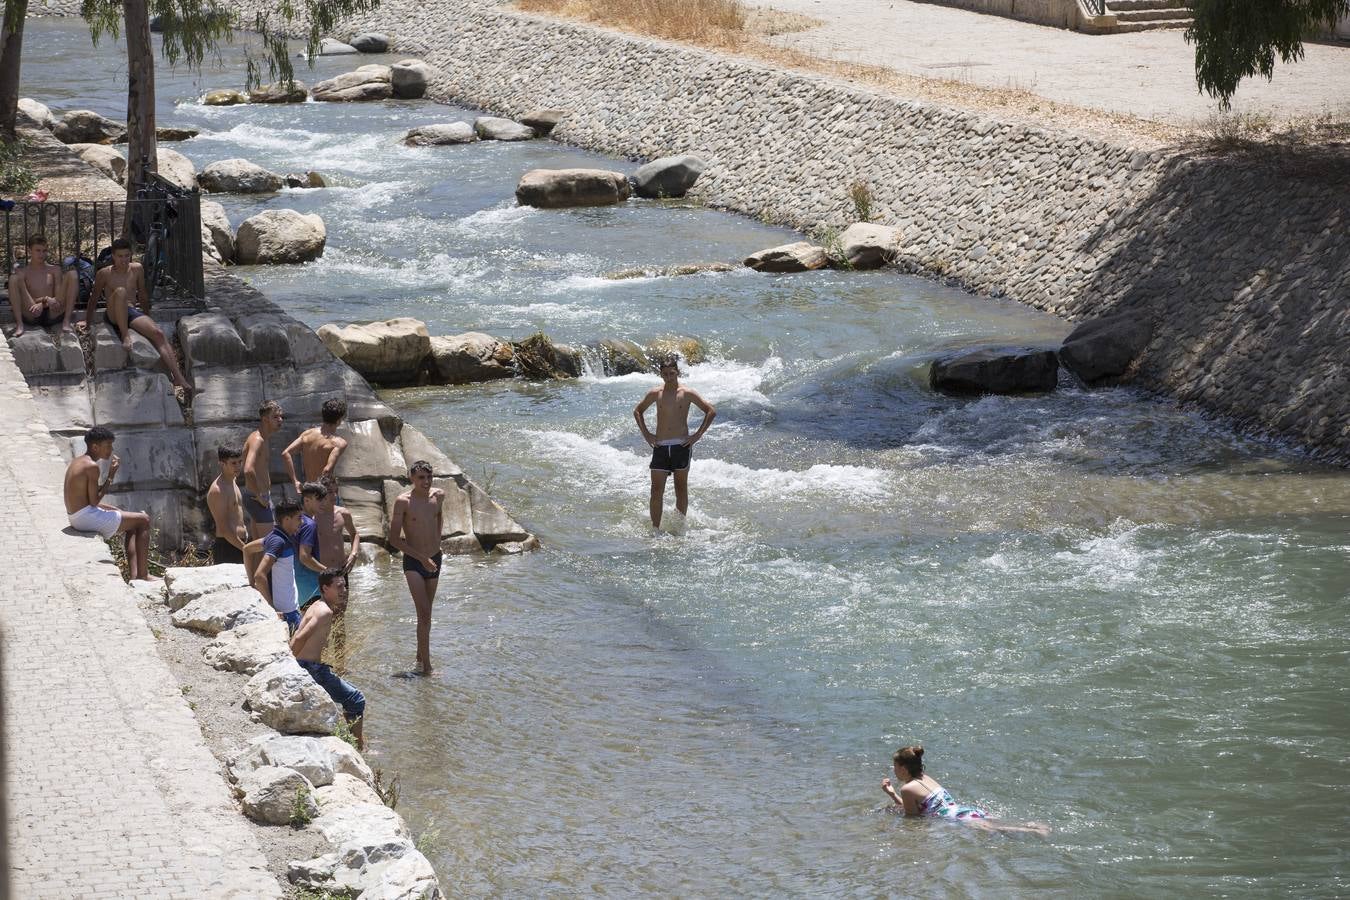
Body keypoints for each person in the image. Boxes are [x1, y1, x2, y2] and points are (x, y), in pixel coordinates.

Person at [83, 237, 193, 395]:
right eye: (120, 256)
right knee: (120, 292)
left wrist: (147, 316)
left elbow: (142, 294)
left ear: (131, 255)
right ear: (113, 256)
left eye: (127, 256)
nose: (124, 260)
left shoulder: (137, 269)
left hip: (131, 312)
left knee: (158, 334)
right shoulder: (104, 273)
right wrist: (87, 322)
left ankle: (178, 378)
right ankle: (125, 335)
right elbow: (93, 299)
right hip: (113, 313)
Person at [881, 745, 1050, 836]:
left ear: (903, 768)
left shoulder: (907, 788)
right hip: (964, 810)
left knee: (995, 829)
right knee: (997, 824)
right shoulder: (926, 777)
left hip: (954, 817)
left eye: (895, 766)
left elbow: (913, 816)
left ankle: (1034, 832)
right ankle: (1031, 826)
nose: (893, 769)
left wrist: (893, 795)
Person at [633, 355, 716, 529]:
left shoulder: (687, 393)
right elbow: (638, 411)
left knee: (680, 489)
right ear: (661, 375)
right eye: (665, 374)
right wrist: (647, 434)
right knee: (656, 491)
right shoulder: (655, 393)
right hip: (660, 446)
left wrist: (697, 435)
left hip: (681, 446)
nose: (669, 377)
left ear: (677, 372)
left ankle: (679, 528)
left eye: (672, 373)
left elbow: (710, 411)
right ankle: (655, 530)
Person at [63, 426, 154, 581]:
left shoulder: (79, 461)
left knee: (131, 522)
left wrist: (112, 508)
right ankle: (143, 575)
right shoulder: (92, 466)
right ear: (95, 446)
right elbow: (94, 501)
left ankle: (135, 576)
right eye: (107, 446)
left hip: (76, 515)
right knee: (144, 520)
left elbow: (89, 500)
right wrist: (111, 475)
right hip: (84, 518)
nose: (110, 450)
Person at [291, 569, 365, 749]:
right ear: (325, 588)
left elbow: (299, 633)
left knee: (350, 697)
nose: (344, 590)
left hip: (307, 666)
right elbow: (301, 637)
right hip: (311, 669)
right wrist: (289, 662)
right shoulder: (325, 612)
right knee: (356, 699)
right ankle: (358, 746)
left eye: (345, 586)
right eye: (339, 586)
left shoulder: (316, 604)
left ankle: (353, 737)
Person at [387, 460, 444, 676]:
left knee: (425, 615)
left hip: (434, 558)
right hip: (413, 561)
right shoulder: (403, 502)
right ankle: (427, 669)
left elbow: (439, 517)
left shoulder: (439, 496)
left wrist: (436, 545)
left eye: (429, 477)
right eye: (421, 477)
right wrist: (421, 558)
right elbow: (394, 539)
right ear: (411, 478)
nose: (426, 481)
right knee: (424, 612)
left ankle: (419, 659)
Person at [9, 234, 79, 337]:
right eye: (38, 250)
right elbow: (25, 298)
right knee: (13, 278)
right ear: (29, 251)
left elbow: (58, 298)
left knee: (73, 274)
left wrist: (44, 303)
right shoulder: (23, 272)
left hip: (53, 311)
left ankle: (66, 321)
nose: (41, 254)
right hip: (32, 311)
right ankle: (20, 324)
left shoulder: (54, 270)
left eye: (44, 251)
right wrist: (44, 300)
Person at [252, 499, 304, 634]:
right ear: (287, 519)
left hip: (291, 608)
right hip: (286, 612)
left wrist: (250, 582)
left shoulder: (275, 536)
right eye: (299, 518)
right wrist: (271, 608)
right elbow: (259, 575)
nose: (302, 522)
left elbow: (247, 549)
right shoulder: (278, 541)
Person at [282, 398, 349, 496]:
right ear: (339, 420)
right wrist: (322, 492)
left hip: (308, 489)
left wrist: (295, 481)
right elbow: (327, 470)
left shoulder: (307, 434)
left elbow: (285, 453)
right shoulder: (339, 443)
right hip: (324, 492)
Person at [243, 401, 285, 540]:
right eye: (275, 417)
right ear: (265, 419)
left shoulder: (264, 438)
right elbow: (248, 469)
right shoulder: (257, 439)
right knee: (271, 544)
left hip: (260, 496)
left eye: (281, 416)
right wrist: (259, 496)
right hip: (258, 497)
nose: (280, 420)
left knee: (259, 547)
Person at [206, 445, 248, 564]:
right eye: (233, 463)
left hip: (240, 543)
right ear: (222, 464)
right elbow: (224, 529)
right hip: (228, 547)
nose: (238, 466)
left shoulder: (233, 481)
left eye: (240, 462)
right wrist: (245, 549)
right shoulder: (218, 490)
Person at [316, 473, 361, 577]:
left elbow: (355, 534)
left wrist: (353, 554)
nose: (335, 495)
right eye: (330, 492)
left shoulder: (343, 513)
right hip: (321, 571)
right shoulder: (313, 517)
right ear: (320, 493)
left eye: (336, 491)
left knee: (344, 594)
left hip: (341, 569)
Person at [294, 482, 329, 608]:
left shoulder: (297, 520)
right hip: (310, 586)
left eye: (324, 499)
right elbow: (305, 557)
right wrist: (327, 571)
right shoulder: (309, 525)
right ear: (307, 500)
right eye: (319, 500)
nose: (323, 503)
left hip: (297, 584)